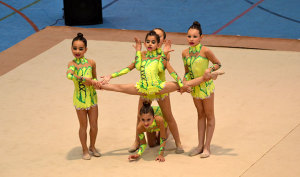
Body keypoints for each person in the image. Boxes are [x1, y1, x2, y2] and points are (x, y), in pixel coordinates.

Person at [98, 30, 188, 154]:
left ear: (160, 41)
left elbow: (168, 69)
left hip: (160, 88)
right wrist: (111, 76)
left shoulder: (164, 54)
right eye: (148, 41)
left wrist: (181, 84)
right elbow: (131, 67)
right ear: (145, 43)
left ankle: (178, 143)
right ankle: (137, 141)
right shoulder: (144, 55)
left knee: (168, 116)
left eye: (156, 40)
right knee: (139, 117)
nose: (151, 43)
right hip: (145, 89)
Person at [182, 21, 222, 158]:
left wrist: (209, 69)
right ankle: (199, 145)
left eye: (194, 37)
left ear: (201, 37)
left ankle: (207, 147)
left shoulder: (205, 51)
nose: (191, 39)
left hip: (206, 87)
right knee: (200, 115)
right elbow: (187, 71)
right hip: (195, 88)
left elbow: (218, 64)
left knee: (209, 115)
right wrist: (184, 81)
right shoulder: (184, 53)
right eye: (189, 37)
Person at [66, 33, 101, 160]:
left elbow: (95, 77)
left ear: (86, 49)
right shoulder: (72, 64)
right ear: (71, 48)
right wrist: (82, 78)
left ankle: (92, 146)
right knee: (83, 126)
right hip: (80, 99)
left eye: (81, 49)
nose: (77, 51)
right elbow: (69, 75)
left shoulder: (91, 62)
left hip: (92, 98)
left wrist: (97, 83)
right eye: (74, 48)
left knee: (94, 125)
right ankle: (84, 149)